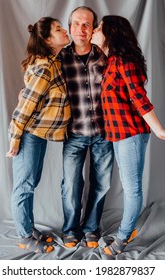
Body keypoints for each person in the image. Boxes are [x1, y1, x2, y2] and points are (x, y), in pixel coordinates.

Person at [91, 15, 165, 256]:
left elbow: (138, 98)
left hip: (131, 135)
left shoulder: (124, 61)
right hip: (119, 135)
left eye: (100, 27)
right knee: (128, 186)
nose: (94, 30)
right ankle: (126, 229)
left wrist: (159, 129)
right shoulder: (111, 61)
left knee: (131, 189)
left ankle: (122, 239)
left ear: (111, 33)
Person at [6, 17, 71, 253]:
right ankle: (24, 235)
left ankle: (29, 228)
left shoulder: (52, 62)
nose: (65, 31)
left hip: (38, 134)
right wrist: (15, 139)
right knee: (24, 186)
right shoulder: (44, 67)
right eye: (58, 29)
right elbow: (25, 108)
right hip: (28, 134)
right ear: (47, 39)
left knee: (30, 184)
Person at [60, 6, 114, 248]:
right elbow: (40, 85)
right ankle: (71, 230)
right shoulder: (59, 58)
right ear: (70, 27)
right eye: (76, 24)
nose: (81, 29)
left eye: (86, 24)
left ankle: (91, 228)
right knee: (71, 185)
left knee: (101, 184)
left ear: (94, 29)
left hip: (105, 133)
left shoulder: (106, 56)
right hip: (74, 134)